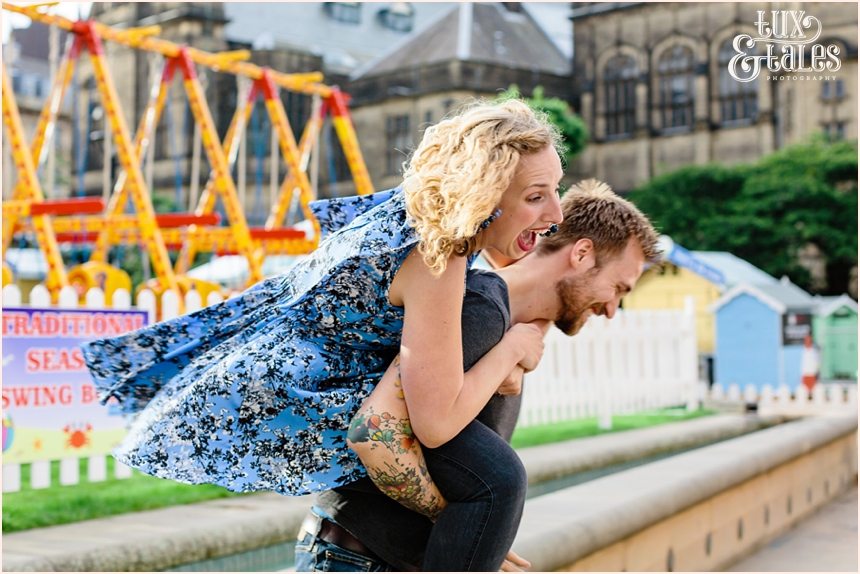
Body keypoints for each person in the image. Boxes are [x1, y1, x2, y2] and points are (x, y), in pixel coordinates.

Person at [80, 99, 561, 507]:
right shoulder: (436, 253)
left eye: (555, 190)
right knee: (493, 479)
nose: (556, 214)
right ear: (482, 195)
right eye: (536, 197)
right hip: (290, 392)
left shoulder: (417, 212)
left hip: (265, 369)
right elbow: (435, 422)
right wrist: (512, 348)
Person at [295, 179, 661, 572]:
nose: (612, 309)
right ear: (582, 253)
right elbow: (373, 433)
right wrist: (471, 524)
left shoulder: (510, 319)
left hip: (371, 557)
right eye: (617, 288)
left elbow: (537, 287)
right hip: (358, 560)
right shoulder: (480, 308)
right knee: (501, 479)